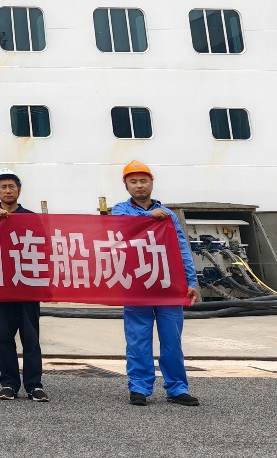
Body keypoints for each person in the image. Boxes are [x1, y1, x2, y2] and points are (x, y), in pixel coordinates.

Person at [112, 160, 200, 407]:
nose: (139, 185)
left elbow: (182, 248)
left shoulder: (168, 215)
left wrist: (190, 281)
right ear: (126, 185)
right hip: (137, 284)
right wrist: (147, 216)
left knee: (172, 340)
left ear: (152, 182)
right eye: (133, 181)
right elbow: (120, 228)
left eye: (143, 181)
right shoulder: (120, 210)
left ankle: (177, 388)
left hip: (167, 284)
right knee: (138, 339)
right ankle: (139, 387)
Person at [0, 169, 47, 403]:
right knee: (4, 337)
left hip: (27, 286)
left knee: (31, 338)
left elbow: (43, 246)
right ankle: (9, 384)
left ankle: (34, 385)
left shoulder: (30, 216)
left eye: (12, 186)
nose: (8, 190)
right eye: (3, 187)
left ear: (19, 190)